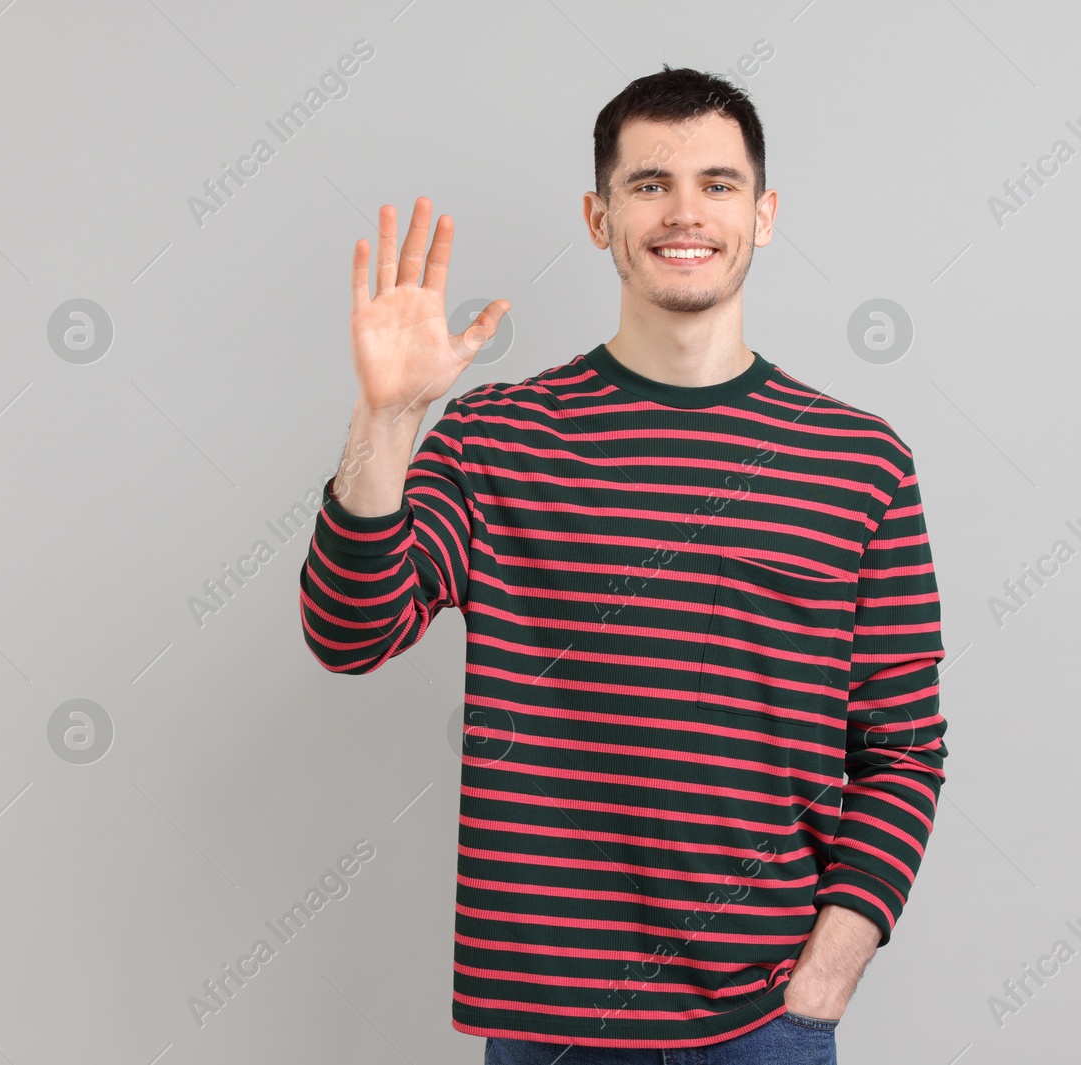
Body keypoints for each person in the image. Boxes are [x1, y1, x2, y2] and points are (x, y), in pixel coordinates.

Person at [298, 66, 947, 1064]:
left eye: (717, 185)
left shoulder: (857, 459)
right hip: (548, 1032)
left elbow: (901, 747)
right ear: (599, 218)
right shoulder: (493, 437)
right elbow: (349, 634)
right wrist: (384, 421)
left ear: (761, 214)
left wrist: (829, 968)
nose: (684, 211)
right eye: (649, 184)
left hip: (764, 1023)